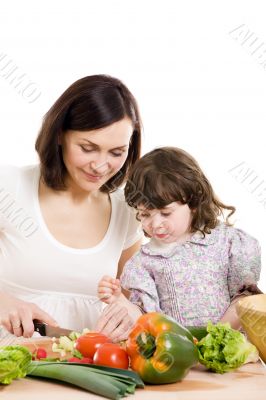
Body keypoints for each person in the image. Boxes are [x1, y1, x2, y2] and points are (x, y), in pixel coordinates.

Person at [0, 74, 144, 341]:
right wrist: (4, 303)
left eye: (116, 153)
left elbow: (133, 294)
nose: (101, 166)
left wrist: (131, 309)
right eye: (88, 148)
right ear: (59, 135)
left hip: (84, 369)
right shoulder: (9, 186)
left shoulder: (128, 209)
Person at [98, 147, 262, 329]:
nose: (156, 224)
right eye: (145, 215)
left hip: (227, 351)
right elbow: (145, 319)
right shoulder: (144, 262)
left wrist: (216, 336)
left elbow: (245, 299)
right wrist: (120, 300)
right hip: (175, 354)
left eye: (166, 213)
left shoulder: (228, 243)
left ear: (193, 201)